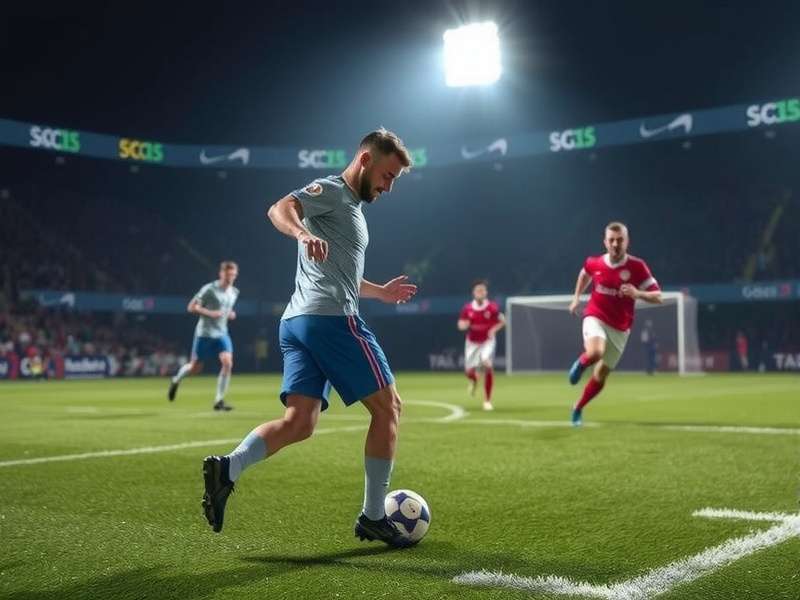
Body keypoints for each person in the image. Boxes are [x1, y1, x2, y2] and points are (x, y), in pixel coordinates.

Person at [201, 129, 418, 547]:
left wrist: (379, 291)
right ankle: (374, 517)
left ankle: (228, 468)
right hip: (331, 320)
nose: (389, 187)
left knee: (299, 423)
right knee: (388, 408)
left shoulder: (352, 207)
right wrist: (301, 233)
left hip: (297, 323)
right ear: (366, 159)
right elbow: (280, 207)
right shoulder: (334, 192)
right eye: (388, 176)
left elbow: (342, 273)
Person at [567, 222, 662, 425]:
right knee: (595, 352)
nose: (615, 244)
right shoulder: (595, 263)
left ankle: (578, 407)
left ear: (627, 242)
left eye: (620, 240)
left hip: (620, 328)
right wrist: (576, 298)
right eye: (611, 240)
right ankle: (581, 364)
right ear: (605, 242)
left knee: (601, 375)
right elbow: (584, 274)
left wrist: (638, 293)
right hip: (595, 316)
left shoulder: (637, 267)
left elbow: (658, 296)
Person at [167, 261, 239, 411]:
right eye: (227, 275)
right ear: (221, 274)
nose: (230, 278)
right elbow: (191, 307)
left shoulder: (234, 292)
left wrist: (230, 314)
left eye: (232, 275)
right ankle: (176, 380)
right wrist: (210, 313)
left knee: (227, 363)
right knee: (195, 368)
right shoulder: (209, 289)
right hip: (205, 334)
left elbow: (226, 310)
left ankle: (219, 400)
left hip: (221, 333)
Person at [457, 279, 505, 410]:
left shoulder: (492, 307)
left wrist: (493, 330)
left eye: (482, 290)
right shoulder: (467, 308)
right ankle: (474, 379)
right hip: (472, 343)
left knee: (487, 364)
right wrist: (464, 325)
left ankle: (487, 401)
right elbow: (460, 324)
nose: (480, 292)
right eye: (478, 290)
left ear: (486, 292)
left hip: (487, 342)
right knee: (469, 372)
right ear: (473, 292)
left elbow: (502, 320)